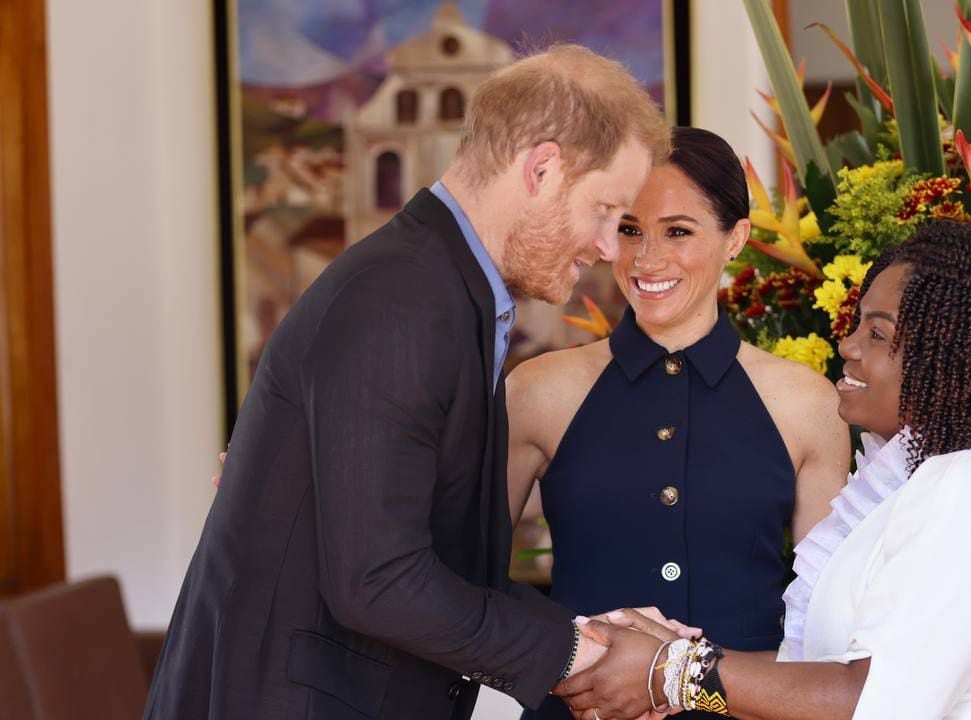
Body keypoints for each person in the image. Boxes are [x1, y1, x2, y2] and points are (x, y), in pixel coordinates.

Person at [144, 44, 671, 720]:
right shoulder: (401, 300)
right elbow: (377, 581)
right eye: (605, 210)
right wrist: (577, 653)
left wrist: (590, 635)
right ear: (543, 169)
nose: (607, 247)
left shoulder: (444, 291)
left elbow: (430, 563)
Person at [557, 220, 971, 719]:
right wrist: (670, 665)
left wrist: (672, 671)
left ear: (949, 356)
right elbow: (821, 680)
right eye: (858, 324)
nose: (848, 345)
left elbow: (868, 702)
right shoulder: (923, 481)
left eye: (877, 334)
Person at [505, 127, 850, 720]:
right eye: (630, 230)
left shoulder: (807, 404)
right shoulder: (538, 391)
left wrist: (689, 680)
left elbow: (825, 629)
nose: (647, 259)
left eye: (678, 232)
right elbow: (466, 582)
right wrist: (575, 659)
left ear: (735, 238)